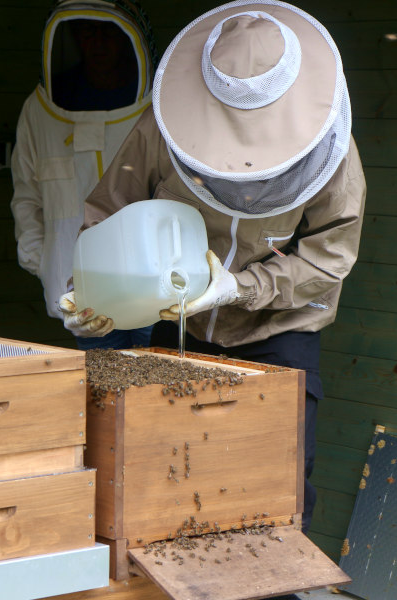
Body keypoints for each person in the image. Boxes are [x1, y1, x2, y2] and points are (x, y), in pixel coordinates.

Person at [59, 0, 366, 534]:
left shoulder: (329, 143)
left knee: (280, 484)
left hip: (279, 330)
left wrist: (240, 288)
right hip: (185, 325)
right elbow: (109, 212)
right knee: (174, 481)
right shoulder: (161, 127)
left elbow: (331, 254)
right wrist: (84, 293)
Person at [10, 0, 158, 350]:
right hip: (83, 299)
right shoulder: (40, 108)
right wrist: (43, 263)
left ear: (128, 37)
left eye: (108, 31)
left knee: (158, 398)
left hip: (156, 292)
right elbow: (27, 194)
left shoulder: (158, 106)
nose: (98, 42)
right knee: (105, 399)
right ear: (73, 37)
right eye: (87, 32)